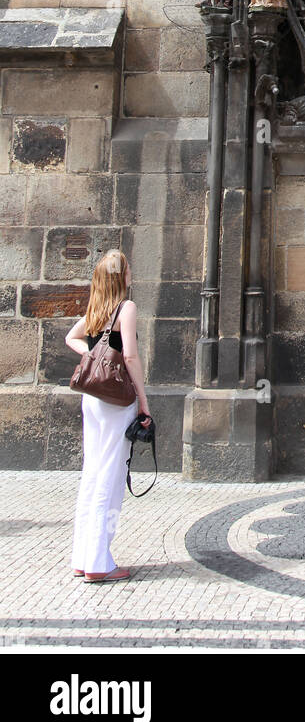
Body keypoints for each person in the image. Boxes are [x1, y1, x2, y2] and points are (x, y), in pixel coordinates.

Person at [65, 250, 151, 583]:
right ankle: (100, 561)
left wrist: (92, 355)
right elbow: (129, 355)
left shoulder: (97, 306)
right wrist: (143, 401)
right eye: (128, 268)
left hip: (92, 398)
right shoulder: (125, 308)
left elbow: (71, 337)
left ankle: (82, 557)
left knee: (92, 472)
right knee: (111, 476)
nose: (131, 272)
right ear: (122, 276)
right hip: (117, 399)